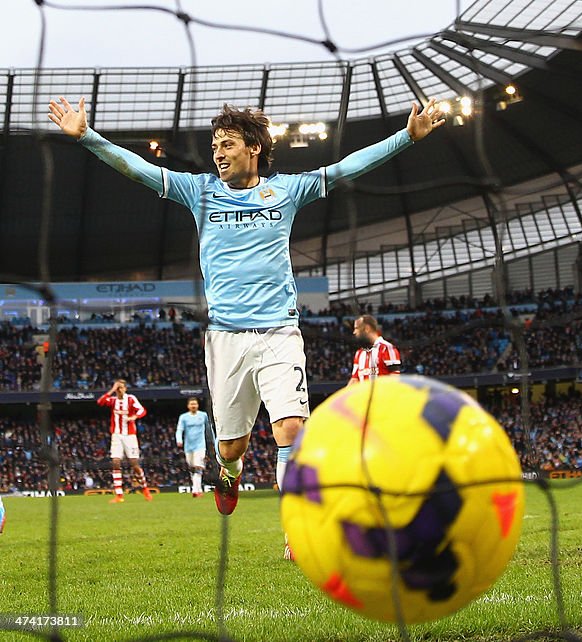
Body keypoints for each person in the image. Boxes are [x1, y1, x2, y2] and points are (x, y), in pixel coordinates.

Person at [48, 95, 445, 534]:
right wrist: (87, 137)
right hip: (225, 339)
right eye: (215, 145)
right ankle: (229, 472)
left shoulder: (287, 190)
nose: (218, 152)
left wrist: (407, 138)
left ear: (253, 147)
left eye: (228, 144)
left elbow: (347, 168)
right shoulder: (199, 192)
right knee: (233, 446)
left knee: (291, 429)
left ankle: (298, 529)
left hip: (280, 332)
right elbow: (139, 170)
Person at [97, 379, 153, 503]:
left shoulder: (131, 399)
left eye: (121, 387)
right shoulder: (113, 400)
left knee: (134, 464)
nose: (119, 390)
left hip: (130, 436)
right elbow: (100, 402)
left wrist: (134, 416)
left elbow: (142, 411)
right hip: (116, 435)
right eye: (117, 388)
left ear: (125, 388)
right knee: (116, 462)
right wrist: (111, 390)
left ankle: (145, 489)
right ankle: (119, 495)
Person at [349, 315, 402, 384]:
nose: (354, 332)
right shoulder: (359, 353)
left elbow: (395, 378)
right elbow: (354, 380)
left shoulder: (386, 348)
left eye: (356, 328)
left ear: (367, 329)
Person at [176, 397, 212, 497]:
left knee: (198, 466)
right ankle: (197, 488)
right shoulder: (183, 417)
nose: (193, 406)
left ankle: (196, 491)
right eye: (191, 404)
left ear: (198, 405)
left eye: (195, 404)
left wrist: (213, 440)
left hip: (200, 445)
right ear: (188, 406)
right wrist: (179, 439)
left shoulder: (203, 415)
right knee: (192, 468)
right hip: (188, 446)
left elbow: (208, 428)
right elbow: (179, 429)